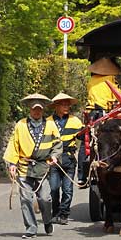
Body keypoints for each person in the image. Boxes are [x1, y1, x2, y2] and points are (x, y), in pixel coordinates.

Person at [3, 93, 62, 239]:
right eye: (34, 109)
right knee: (26, 199)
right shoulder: (20, 125)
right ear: (30, 109)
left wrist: (54, 156)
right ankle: (31, 227)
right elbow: (13, 144)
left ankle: (47, 221)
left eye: (39, 109)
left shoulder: (50, 124)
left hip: (43, 167)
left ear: (43, 110)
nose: (37, 112)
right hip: (24, 167)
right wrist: (12, 163)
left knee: (45, 199)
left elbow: (58, 143)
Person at [78, 57, 121, 185]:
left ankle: (82, 175)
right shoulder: (111, 80)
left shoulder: (91, 81)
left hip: (91, 114)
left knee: (86, 143)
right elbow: (120, 97)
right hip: (105, 114)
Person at [47, 93, 83, 225]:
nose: (66, 106)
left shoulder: (76, 121)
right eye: (63, 104)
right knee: (54, 188)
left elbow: (81, 136)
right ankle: (55, 212)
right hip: (54, 160)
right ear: (56, 106)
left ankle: (64, 214)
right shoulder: (48, 122)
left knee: (68, 190)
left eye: (68, 104)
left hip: (69, 159)